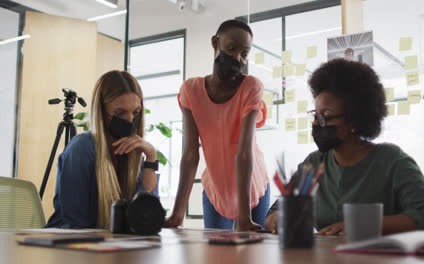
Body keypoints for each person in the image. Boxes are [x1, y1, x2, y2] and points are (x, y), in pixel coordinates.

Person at [264, 59, 424, 235]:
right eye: (315, 115)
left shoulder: (391, 160)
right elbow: (275, 211)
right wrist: (278, 217)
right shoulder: (314, 163)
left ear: (354, 121)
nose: (315, 124)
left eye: (324, 117)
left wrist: (360, 225)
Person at [164, 19, 270, 231]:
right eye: (231, 48)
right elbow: (190, 154)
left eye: (244, 53)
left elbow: (244, 152)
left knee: (253, 254)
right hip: (216, 189)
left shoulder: (251, 87)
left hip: (252, 187)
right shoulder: (191, 90)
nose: (237, 58)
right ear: (216, 43)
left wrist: (244, 219)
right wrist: (177, 214)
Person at [46, 70, 159, 229]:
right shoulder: (82, 148)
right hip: (70, 244)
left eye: (136, 112)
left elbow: (144, 214)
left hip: (110, 245)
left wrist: (151, 157)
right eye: (120, 113)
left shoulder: (132, 152)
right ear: (101, 112)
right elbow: (76, 221)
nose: (130, 120)